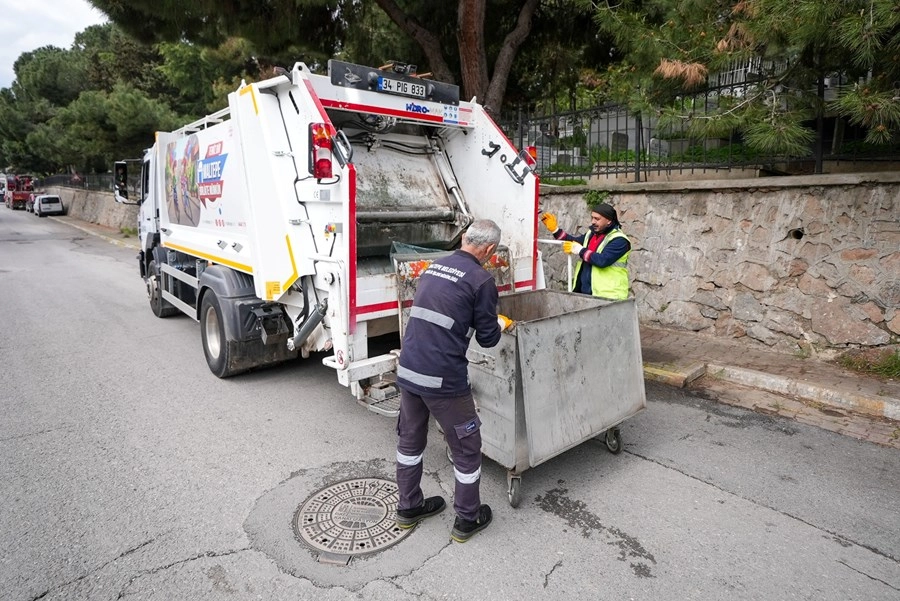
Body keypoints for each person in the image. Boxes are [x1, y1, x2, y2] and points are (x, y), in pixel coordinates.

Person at [394, 219, 513, 543]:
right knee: (466, 447)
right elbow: (487, 340)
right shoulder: (481, 280)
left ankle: (408, 508)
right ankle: (467, 518)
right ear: (489, 250)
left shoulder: (433, 268)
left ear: (463, 238)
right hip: (443, 379)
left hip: (408, 368)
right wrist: (498, 323)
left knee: (410, 442)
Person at [540, 202, 632, 300]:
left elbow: (602, 261)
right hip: (587, 294)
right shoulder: (591, 234)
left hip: (609, 296)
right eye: (592, 218)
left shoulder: (620, 240)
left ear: (609, 220)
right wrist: (555, 230)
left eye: (597, 219)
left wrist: (580, 250)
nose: (593, 222)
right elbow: (573, 242)